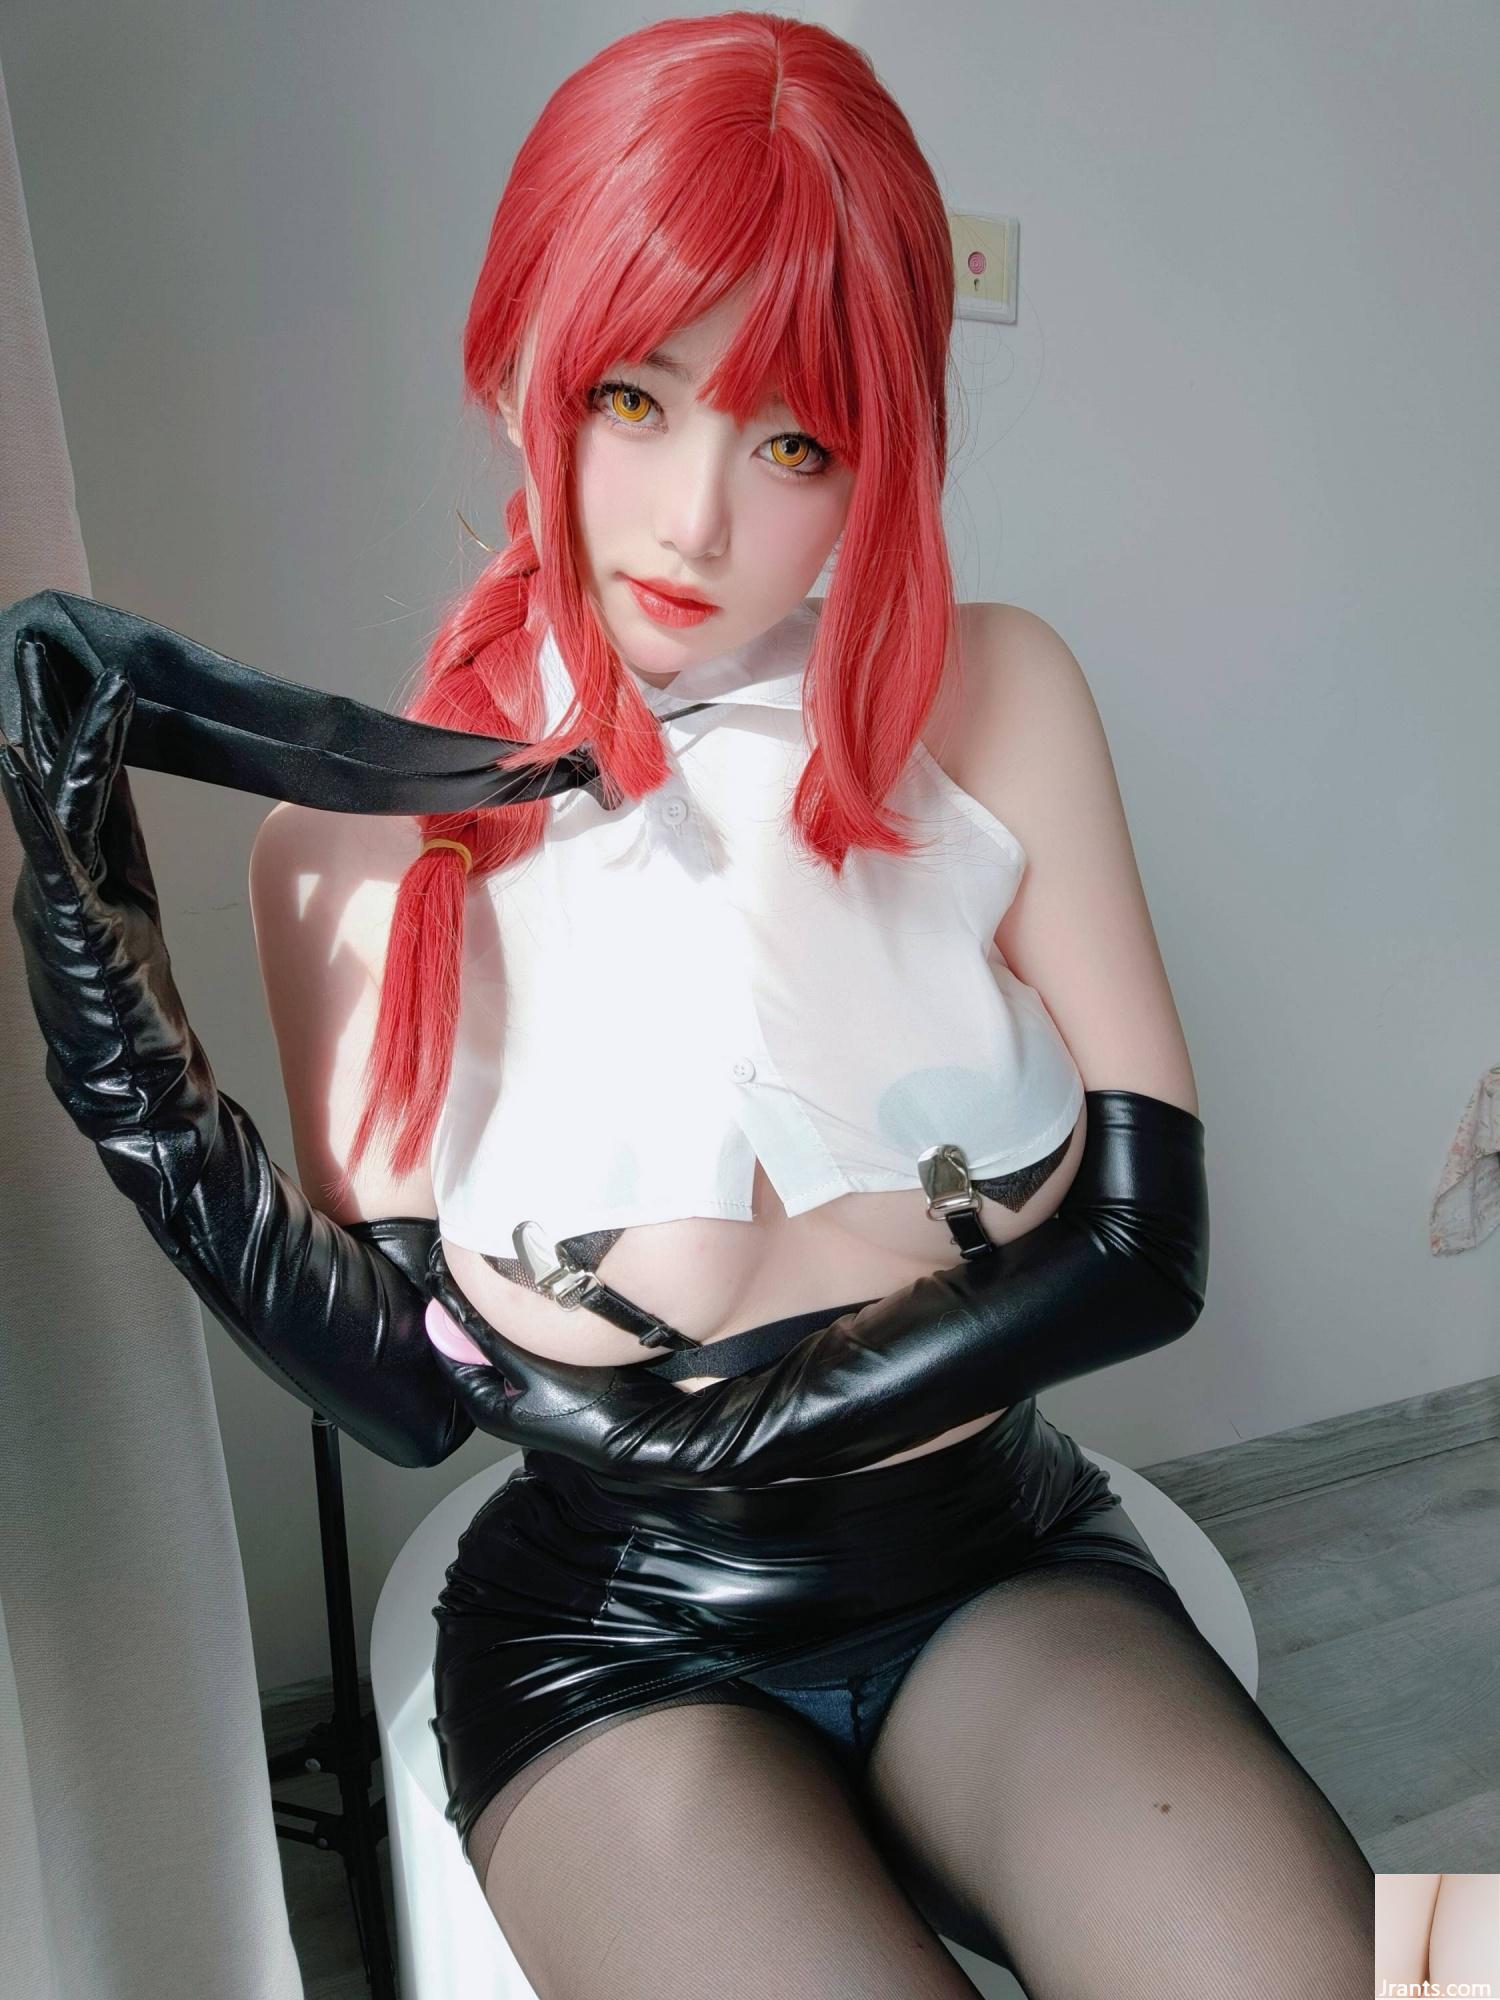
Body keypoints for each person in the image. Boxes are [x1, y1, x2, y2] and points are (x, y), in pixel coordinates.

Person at [0, 13, 1376, 1997]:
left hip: (999, 1555)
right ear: (518, 372)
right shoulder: (351, 852)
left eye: (794, 440)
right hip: (608, 1645)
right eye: (635, 399)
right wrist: (130, 1076)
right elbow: (405, 1391)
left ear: (880, 455)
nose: (699, 520)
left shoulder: (1002, 698)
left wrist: (770, 1414)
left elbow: (1151, 1249)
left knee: (1368, 1975)